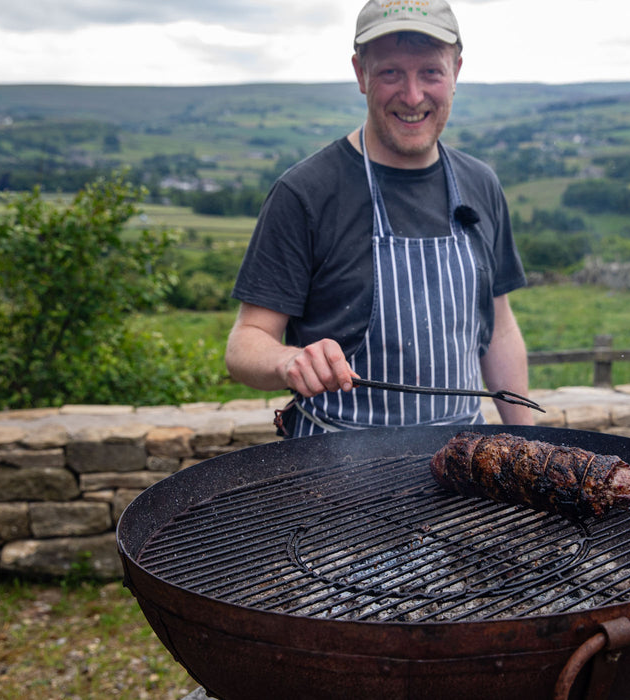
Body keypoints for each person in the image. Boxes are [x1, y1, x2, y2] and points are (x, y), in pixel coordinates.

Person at [225, 0, 532, 437]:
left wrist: (531, 445)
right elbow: (245, 343)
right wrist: (287, 360)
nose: (412, 96)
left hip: (465, 466)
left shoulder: (480, 183)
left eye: (431, 71)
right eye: (390, 73)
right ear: (360, 74)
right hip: (334, 468)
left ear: (456, 72)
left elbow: (499, 330)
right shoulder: (306, 192)